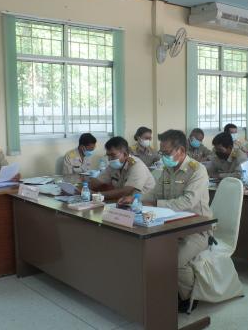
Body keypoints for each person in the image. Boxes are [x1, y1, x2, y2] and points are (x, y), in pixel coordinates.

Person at [117, 130, 212, 312]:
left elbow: (187, 202)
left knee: (174, 260)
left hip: (197, 229)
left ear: (181, 150)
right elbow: (154, 193)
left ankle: (188, 297)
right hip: (169, 225)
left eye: (166, 153)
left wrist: (152, 202)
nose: (163, 156)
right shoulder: (167, 168)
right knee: (148, 252)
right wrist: (135, 199)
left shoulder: (197, 170)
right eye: (162, 152)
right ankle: (162, 291)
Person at [89, 137, 155, 200]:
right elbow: (98, 182)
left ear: (125, 154)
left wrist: (98, 195)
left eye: (113, 155)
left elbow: (126, 191)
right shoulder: (113, 165)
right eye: (108, 155)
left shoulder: (136, 165)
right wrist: (85, 188)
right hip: (124, 201)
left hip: (145, 204)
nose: (109, 159)